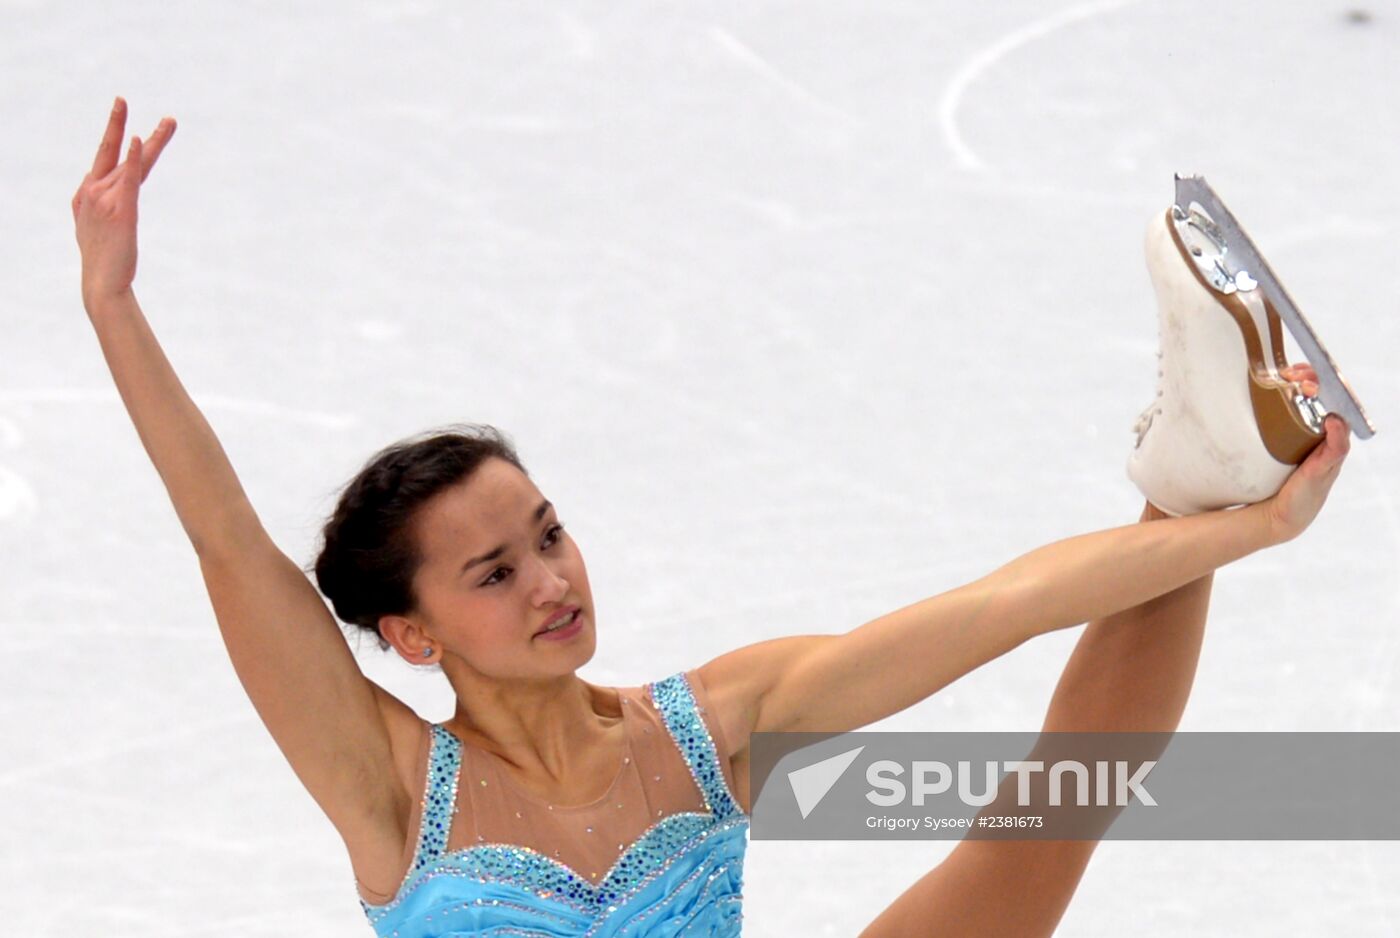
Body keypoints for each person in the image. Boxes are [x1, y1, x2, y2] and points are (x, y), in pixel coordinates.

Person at [72, 96, 1351, 937]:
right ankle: (1205, 482)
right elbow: (229, 542)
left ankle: (1193, 472)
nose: (548, 580)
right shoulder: (392, 788)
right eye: (492, 571)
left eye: (548, 534)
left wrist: (1246, 527)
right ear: (411, 634)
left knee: (1046, 818)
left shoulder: (703, 724)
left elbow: (990, 609)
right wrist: (115, 307)